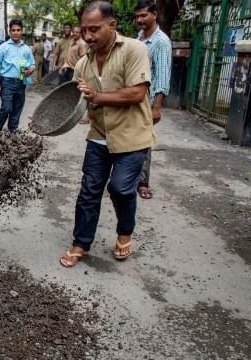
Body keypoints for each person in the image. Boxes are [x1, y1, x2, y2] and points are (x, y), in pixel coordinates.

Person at [59, 1, 155, 268]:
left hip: (131, 135)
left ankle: (125, 233)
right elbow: (75, 101)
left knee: (121, 189)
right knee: (88, 191)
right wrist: (45, 119)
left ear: (112, 25)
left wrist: (98, 96)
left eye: (94, 29)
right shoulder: (83, 63)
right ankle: (81, 243)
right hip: (99, 134)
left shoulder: (134, 50)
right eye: (84, 30)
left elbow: (137, 93)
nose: (88, 36)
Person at [135, 0, 172, 200]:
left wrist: (157, 107)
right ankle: (128, 177)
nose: (140, 20)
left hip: (148, 101)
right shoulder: (140, 38)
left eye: (144, 15)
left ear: (154, 15)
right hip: (134, 98)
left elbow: (163, 76)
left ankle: (142, 182)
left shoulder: (161, 42)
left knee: (143, 141)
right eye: (138, 16)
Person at [0, 19, 35, 137]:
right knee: (6, 108)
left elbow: (32, 64)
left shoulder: (26, 49)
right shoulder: (3, 47)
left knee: (17, 109)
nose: (16, 32)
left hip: (21, 82)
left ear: (22, 31)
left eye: (18, 30)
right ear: (9, 32)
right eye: (13, 30)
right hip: (6, 82)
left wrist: (31, 70)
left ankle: (12, 131)